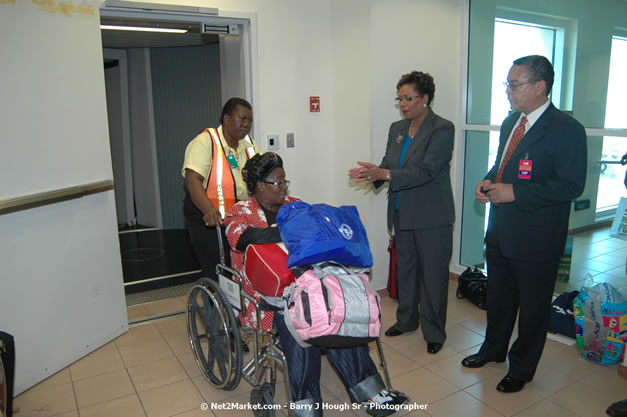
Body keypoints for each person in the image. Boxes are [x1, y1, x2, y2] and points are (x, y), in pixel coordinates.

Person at [224, 152, 408, 417]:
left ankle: (370, 392)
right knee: (301, 325)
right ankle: (306, 408)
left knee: (338, 315)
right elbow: (239, 239)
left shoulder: (296, 204)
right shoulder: (241, 212)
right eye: (278, 182)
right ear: (260, 185)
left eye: (286, 181)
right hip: (265, 298)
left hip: (308, 287)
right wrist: (289, 230)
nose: (285, 187)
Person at [461, 55, 587, 393]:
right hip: (501, 230)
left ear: (540, 87)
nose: (508, 90)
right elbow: (504, 166)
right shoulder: (510, 123)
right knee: (500, 297)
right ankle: (493, 349)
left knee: (532, 308)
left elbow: (571, 185)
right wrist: (488, 183)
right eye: (508, 83)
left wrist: (514, 192)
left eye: (514, 84)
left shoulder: (566, 129)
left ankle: (522, 367)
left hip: (537, 237)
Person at [348, 71, 455, 355]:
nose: (403, 104)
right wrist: (375, 175)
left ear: (425, 98)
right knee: (406, 271)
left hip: (432, 215)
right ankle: (407, 321)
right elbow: (389, 164)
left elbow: (428, 171)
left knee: (432, 276)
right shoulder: (397, 128)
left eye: (409, 98)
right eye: (400, 99)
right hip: (401, 213)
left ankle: (434, 331)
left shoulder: (442, 128)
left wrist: (385, 172)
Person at [182, 97, 259, 279]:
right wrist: (208, 209)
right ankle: (213, 304)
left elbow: (263, 174)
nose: (246, 124)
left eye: (249, 120)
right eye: (242, 118)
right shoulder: (205, 141)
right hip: (206, 215)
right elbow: (193, 180)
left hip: (236, 215)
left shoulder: (249, 146)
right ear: (226, 118)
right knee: (217, 270)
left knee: (242, 268)